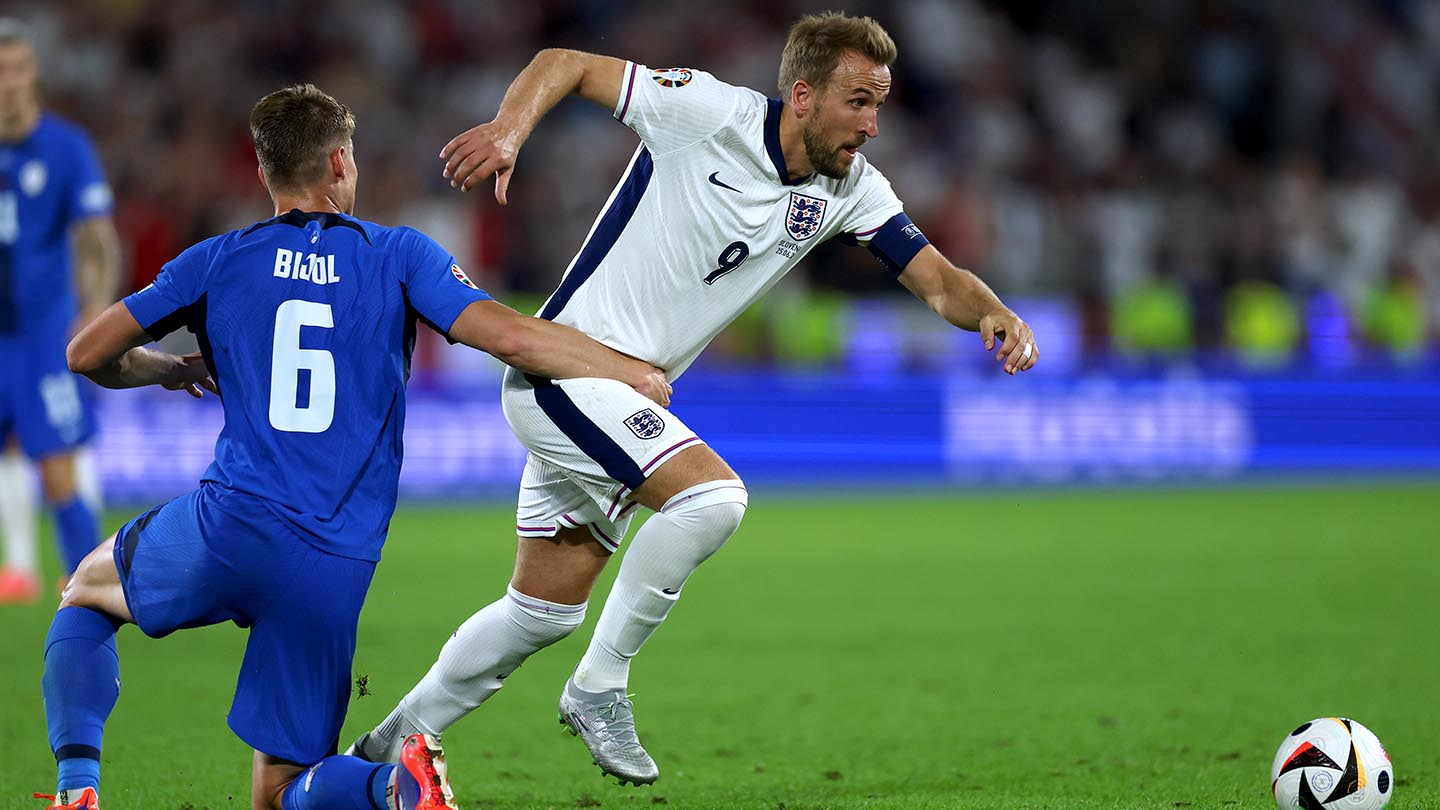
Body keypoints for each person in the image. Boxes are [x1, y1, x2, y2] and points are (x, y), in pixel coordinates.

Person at [350, 12, 1039, 786]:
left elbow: (937, 277)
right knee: (712, 500)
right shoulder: (707, 112)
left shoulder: (849, 188)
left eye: (879, 104)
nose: (872, 124)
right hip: (565, 377)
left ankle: (368, 761)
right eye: (858, 101)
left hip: (611, 400)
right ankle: (598, 686)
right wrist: (510, 131)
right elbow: (566, 60)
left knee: (540, 614)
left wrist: (993, 312)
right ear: (804, 95)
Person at [37, 83, 669, 810]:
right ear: (340, 162)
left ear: (267, 171)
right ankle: (393, 785)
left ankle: (77, 789)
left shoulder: (215, 261)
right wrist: (625, 368)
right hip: (335, 559)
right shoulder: (398, 254)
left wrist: (170, 369)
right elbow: (513, 338)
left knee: (84, 593)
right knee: (280, 793)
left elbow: (87, 353)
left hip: (232, 525)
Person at [0, 18, 120, 602]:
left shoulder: (66, 148)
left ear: (34, 74)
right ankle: (19, 568)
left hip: (44, 331)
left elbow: (98, 240)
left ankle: (85, 583)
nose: (10, 83)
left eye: (18, 70)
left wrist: (94, 311)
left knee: (56, 464)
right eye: (1, 72)